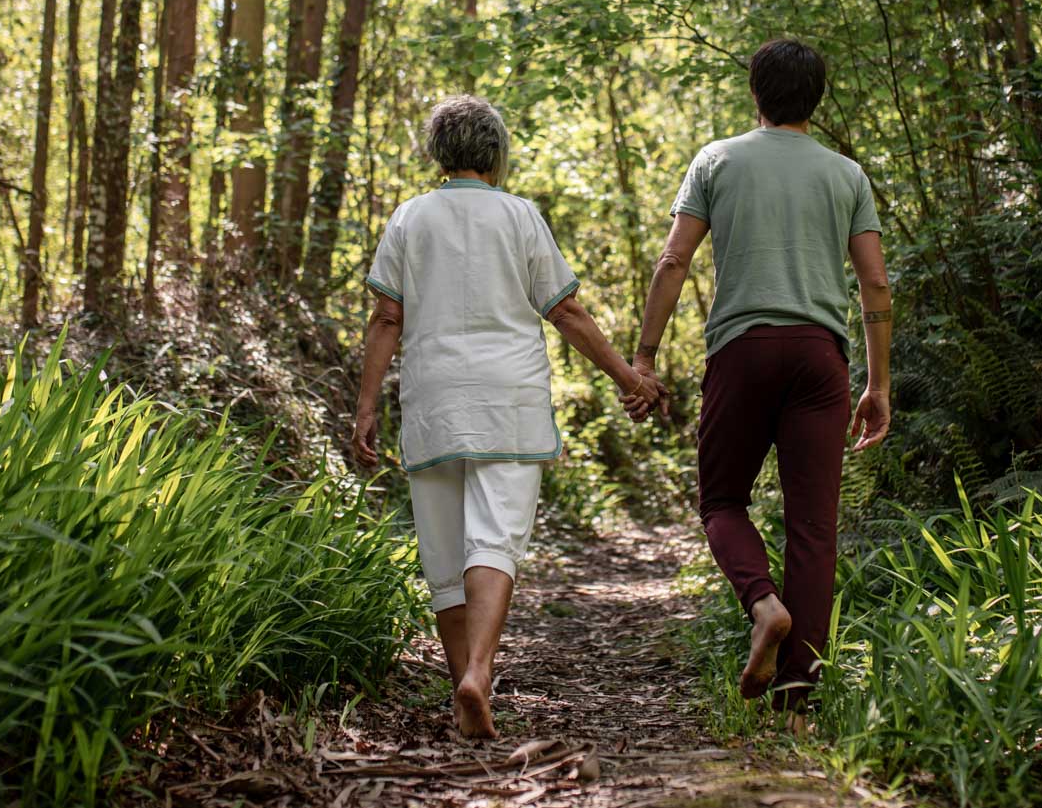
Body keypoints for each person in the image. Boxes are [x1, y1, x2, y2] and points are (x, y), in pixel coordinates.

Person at [352, 94, 665, 740]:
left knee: (443, 554)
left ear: (439, 153)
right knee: (493, 541)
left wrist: (364, 407)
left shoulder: (409, 218)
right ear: (495, 152)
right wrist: (629, 376)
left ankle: (460, 684)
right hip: (508, 400)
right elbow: (567, 311)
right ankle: (480, 676)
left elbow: (387, 317)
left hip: (433, 400)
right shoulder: (520, 216)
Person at [632, 38, 891, 718]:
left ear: (756, 92)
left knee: (721, 500)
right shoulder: (847, 175)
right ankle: (798, 689)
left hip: (741, 350)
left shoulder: (716, 160)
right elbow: (874, 281)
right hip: (820, 357)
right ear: (818, 97)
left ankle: (763, 605)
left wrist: (646, 355)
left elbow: (673, 261)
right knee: (814, 528)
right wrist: (878, 383)